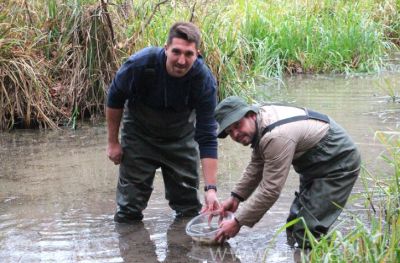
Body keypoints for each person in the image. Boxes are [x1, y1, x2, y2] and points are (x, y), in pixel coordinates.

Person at [106, 22, 220, 223]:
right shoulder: (140, 64)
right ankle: (132, 251)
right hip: (139, 135)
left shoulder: (203, 81)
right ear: (166, 48)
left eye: (189, 54)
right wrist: (113, 142)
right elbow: (114, 99)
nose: (182, 61)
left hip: (181, 138)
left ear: (197, 54)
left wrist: (211, 189)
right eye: (176, 52)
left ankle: (183, 250)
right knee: (128, 209)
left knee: (188, 208)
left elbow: (207, 135)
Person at [213, 96, 361, 248]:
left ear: (251, 115)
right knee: (294, 223)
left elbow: (270, 191)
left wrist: (238, 222)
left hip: (339, 163)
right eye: (230, 131)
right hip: (314, 164)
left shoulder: (276, 135)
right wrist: (236, 197)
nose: (235, 134)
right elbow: (257, 164)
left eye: (237, 125)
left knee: (307, 231)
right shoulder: (261, 122)